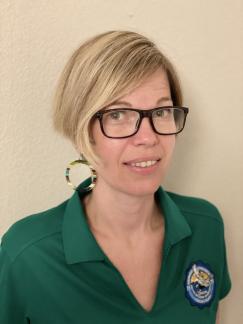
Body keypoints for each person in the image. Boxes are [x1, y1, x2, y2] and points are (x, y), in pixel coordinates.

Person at [0, 30, 231, 324]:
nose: (148, 138)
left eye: (161, 111)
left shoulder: (206, 226)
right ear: (82, 131)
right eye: (118, 114)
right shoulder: (27, 256)